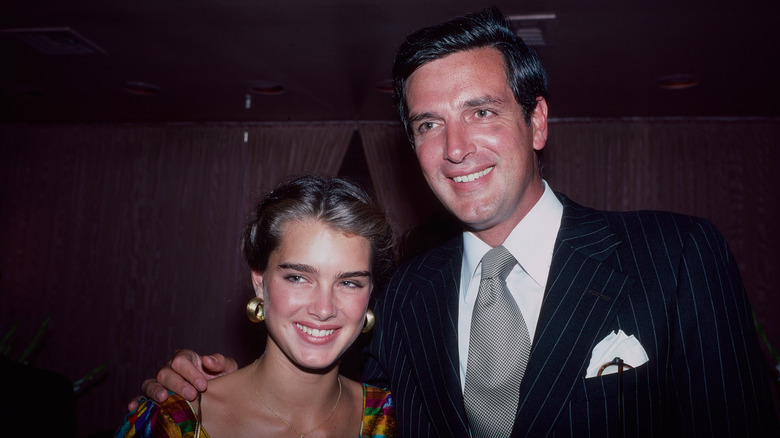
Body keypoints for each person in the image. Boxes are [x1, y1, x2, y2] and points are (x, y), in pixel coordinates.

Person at [134, 7, 779, 437]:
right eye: (428, 124)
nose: (456, 148)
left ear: (538, 121)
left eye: (482, 112)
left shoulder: (677, 257)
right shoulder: (406, 298)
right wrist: (190, 391)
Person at [117, 175, 396, 437]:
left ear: (370, 292)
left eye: (349, 283)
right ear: (259, 284)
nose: (324, 309)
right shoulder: (176, 421)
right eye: (298, 278)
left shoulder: (396, 418)